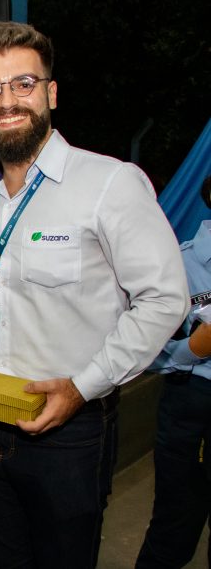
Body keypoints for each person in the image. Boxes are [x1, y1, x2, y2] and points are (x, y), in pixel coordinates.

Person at [0, 21, 190, 569]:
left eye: (23, 84)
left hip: (69, 435)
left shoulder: (109, 182)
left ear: (51, 93)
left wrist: (83, 388)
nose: (7, 101)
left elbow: (164, 299)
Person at [136, 175, 211, 568]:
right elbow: (144, 351)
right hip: (193, 402)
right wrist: (194, 349)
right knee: (175, 523)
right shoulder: (180, 264)